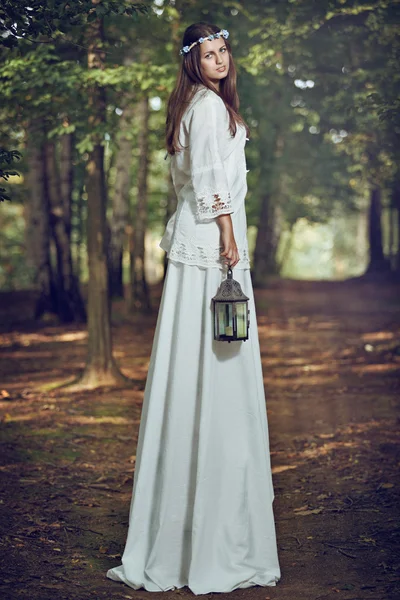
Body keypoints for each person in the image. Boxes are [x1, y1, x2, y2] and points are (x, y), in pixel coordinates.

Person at [106, 22, 281, 594]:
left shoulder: (195, 106)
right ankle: (206, 540)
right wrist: (229, 232)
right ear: (193, 62)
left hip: (198, 241)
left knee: (198, 367)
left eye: (223, 50)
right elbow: (208, 178)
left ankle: (191, 532)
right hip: (212, 243)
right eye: (208, 54)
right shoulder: (205, 109)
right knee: (217, 368)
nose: (219, 59)